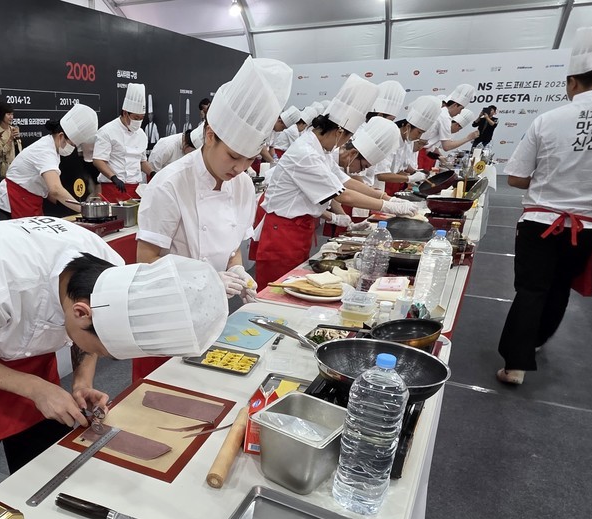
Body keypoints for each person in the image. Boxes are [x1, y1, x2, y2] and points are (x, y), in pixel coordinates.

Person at [0, 217, 228, 491]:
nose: (95, 353)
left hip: (30, 356)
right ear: (80, 312)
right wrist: (36, 388)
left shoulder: (109, 273)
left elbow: (92, 333)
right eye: (97, 349)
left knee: (41, 468)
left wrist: (81, 382)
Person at [134, 56, 292, 381]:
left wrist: (237, 270)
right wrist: (204, 279)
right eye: (233, 156)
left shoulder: (243, 184)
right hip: (165, 315)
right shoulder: (169, 184)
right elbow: (145, 263)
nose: (240, 168)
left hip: (212, 312)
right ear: (210, 135)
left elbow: (232, 248)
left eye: (249, 159)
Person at [497, 23, 592, 385]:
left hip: (541, 222)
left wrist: (551, 178)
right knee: (559, 287)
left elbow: (516, 177)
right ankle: (535, 342)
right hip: (587, 226)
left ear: (571, 82)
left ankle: (515, 365)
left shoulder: (549, 120)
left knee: (531, 290)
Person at [253, 76, 416, 288]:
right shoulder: (306, 152)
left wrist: (383, 197)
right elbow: (343, 194)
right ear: (339, 131)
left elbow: (343, 180)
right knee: (276, 290)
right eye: (348, 138)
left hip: (298, 228)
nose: (345, 144)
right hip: (282, 231)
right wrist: (387, 206)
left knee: (293, 283)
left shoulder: (322, 149)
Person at [0, 104, 98, 220]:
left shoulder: (52, 147)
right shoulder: (45, 151)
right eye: (72, 144)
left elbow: (51, 192)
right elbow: (55, 190)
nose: (72, 148)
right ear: (61, 136)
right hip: (12, 202)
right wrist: (84, 210)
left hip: (29, 200)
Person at [372, 95, 443, 195]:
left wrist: (416, 173)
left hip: (385, 188)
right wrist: (409, 178)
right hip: (374, 186)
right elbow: (381, 174)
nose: (418, 137)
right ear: (408, 127)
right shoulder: (391, 138)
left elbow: (402, 166)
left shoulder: (407, 141)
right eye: (419, 132)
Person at [93, 83, 152, 202]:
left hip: (135, 188)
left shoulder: (141, 134)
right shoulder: (107, 131)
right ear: (125, 113)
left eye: (142, 118)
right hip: (113, 187)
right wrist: (114, 178)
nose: (139, 122)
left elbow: (142, 161)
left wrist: (152, 172)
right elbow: (98, 160)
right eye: (136, 118)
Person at [418, 84, 480, 170]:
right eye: (461, 109)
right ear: (455, 105)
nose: (459, 113)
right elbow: (447, 147)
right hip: (419, 151)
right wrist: (468, 138)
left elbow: (431, 145)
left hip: (423, 151)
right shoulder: (445, 117)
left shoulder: (441, 112)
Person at [0, 102, 23, 180]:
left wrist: (17, 138)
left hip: (19, 166)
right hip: (7, 170)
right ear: (2, 115)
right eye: (8, 114)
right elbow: (0, 153)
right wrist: (10, 139)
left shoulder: (13, 129)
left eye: (12, 114)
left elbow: (19, 148)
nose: (11, 117)